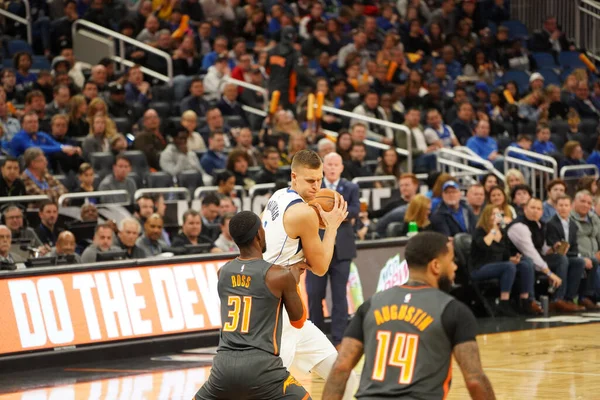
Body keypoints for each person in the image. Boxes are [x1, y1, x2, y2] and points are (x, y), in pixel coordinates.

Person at [323, 232, 495, 400]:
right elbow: (474, 380)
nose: (455, 267)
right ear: (435, 266)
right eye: (451, 260)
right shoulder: (453, 310)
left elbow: (341, 368)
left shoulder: (371, 305)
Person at [261, 149, 358, 400]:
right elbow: (321, 267)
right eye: (310, 181)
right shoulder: (303, 213)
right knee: (270, 389)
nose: (317, 187)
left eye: (320, 180)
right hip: (276, 311)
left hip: (290, 309)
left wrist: (294, 258)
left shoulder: (278, 196)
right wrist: (333, 226)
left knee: (343, 376)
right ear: (294, 177)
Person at [193, 211, 311, 400]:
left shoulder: (222, 273)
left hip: (223, 366)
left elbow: (249, 288)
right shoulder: (279, 275)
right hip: (261, 367)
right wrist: (292, 284)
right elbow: (299, 320)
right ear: (258, 234)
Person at [306, 153, 360, 348]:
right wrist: (336, 213)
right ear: (322, 167)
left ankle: (339, 338)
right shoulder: (315, 188)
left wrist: (330, 213)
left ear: (342, 167)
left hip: (342, 249)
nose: (332, 168)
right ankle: (315, 338)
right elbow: (309, 208)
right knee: (314, 294)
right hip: (316, 246)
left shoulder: (351, 187)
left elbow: (355, 209)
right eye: (328, 164)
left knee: (339, 296)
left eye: (336, 164)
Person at [506, 198, 578, 312]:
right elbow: (531, 252)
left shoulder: (539, 224)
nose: (536, 211)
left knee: (564, 259)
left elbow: (542, 250)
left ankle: (559, 299)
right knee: (528, 261)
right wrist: (549, 273)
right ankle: (530, 300)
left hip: (535, 259)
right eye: (532, 207)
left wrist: (553, 249)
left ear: (542, 212)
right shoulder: (519, 226)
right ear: (525, 209)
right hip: (517, 260)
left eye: (539, 208)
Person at [472, 205, 538, 316]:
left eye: (498, 215)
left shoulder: (502, 232)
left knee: (525, 264)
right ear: (486, 216)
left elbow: (505, 255)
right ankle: (504, 302)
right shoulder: (480, 231)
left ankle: (525, 301)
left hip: (499, 265)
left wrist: (514, 259)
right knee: (509, 266)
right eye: (493, 214)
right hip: (480, 267)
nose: (496, 217)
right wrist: (493, 228)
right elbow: (485, 245)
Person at [548, 194, 598, 310]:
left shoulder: (573, 225)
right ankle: (559, 298)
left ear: (570, 207)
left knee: (585, 261)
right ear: (556, 207)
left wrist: (581, 257)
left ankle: (578, 297)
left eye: (566, 205)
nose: (563, 208)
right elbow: (553, 247)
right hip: (553, 257)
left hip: (566, 256)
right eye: (560, 205)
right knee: (565, 260)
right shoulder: (551, 223)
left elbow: (574, 248)